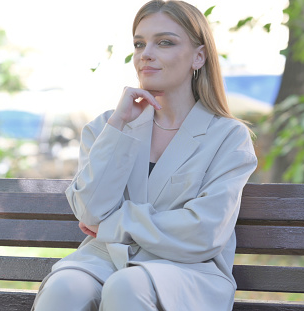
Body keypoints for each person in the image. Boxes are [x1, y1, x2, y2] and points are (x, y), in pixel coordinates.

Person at [31, 0, 257, 310]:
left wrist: (114, 225)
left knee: (127, 286)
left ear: (199, 56)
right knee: (64, 287)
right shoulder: (106, 126)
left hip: (188, 269)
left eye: (164, 42)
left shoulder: (228, 137)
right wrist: (119, 126)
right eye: (139, 43)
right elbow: (90, 211)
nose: (145, 53)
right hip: (106, 257)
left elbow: (203, 231)